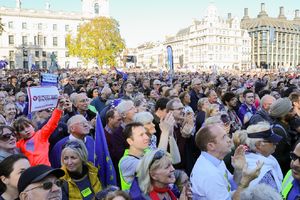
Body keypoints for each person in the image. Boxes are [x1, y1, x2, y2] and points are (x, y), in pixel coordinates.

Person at [190, 124, 263, 200]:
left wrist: (238, 169)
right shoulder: (209, 174)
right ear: (211, 146)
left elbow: (231, 185)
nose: (229, 140)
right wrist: (245, 183)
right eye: (224, 137)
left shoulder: (215, 160)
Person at [13, 97, 66, 166]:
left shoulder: (41, 134)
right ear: (19, 134)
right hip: (32, 173)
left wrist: (59, 108)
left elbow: (52, 123)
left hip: (45, 170)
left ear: (33, 126)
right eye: (22, 129)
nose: (26, 130)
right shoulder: (19, 144)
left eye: (28, 126)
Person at [233, 122, 283, 192]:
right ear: (259, 145)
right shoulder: (261, 173)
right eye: (272, 141)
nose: (276, 143)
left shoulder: (266, 158)